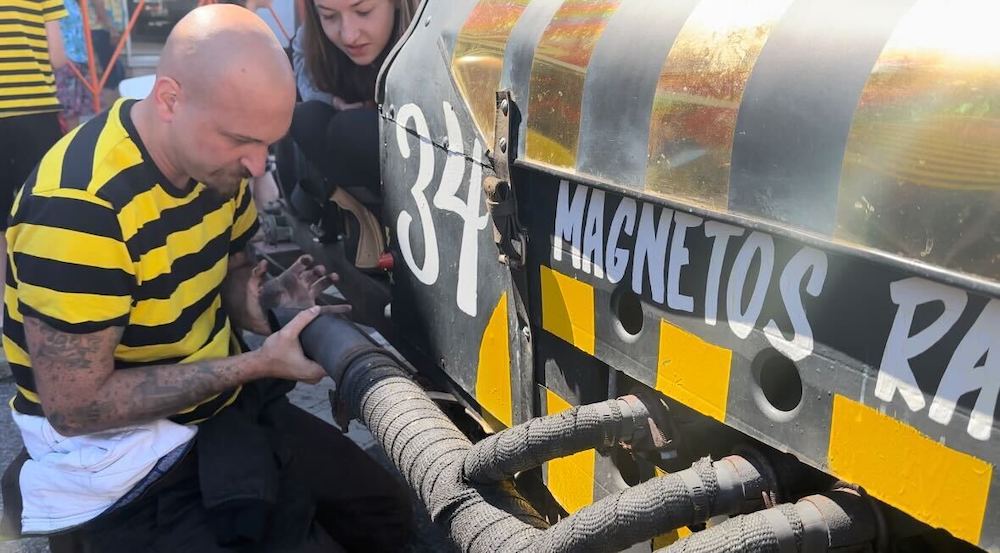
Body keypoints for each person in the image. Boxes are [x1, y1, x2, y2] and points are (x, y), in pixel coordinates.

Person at [0, 5, 412, 552]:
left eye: (268, 143)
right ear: (170, 100)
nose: (257, 165)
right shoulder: (79, 209)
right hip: (118, 457)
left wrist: (257, 302)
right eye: (243, 141)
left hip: (222, 406)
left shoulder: (217, 163)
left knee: (387, 513)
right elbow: (77, 407)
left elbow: (228, 271)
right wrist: (256, 362)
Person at [291, 0, 418, 196]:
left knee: (351, 129)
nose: (349, 35)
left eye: (363, 11)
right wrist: (331, 101)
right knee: (306, 118)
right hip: (352, 179)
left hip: (423, 164)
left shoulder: (435, 32)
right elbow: (301, 54)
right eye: (329, 16)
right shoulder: (312, 38)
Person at [0, 0, 67, 304]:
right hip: (36, 111)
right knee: (46, 212)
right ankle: (43, 304)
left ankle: (2, 314)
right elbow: (57, 57)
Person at [56, 0, 96, 129]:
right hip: (65, 60)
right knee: (66, 109)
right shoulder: (53, 4)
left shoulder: (74, 4)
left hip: (79, 58)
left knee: (75, 109)